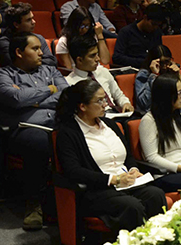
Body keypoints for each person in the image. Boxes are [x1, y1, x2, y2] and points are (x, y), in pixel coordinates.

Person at [54, 79, 166, 235]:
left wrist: (133, 169)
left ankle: (159, 239)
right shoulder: (68, 133)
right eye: (99, 101)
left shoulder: (111, 124)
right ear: (82, 106)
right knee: (132, 206)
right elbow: (73, 171)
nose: (105, 104)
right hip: (97, 190)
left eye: (105, 99)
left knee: (156, 195)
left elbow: (128, 156)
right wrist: (113, 179)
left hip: (126, 184)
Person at [0, 33, 68, 230]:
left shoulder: (50, 70)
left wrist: (32, 100)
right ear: (19, 52)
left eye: (40, 48)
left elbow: (66, 96)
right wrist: (50, 90)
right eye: (35, 48)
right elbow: (16, 99)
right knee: (39, 141)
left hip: (57, 124)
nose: (42, 53)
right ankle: (34, 203)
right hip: (25, 129)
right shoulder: (1, 76)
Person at [65, 36, 133, 113]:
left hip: (116, 113)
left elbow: (119, 95)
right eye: (92, 55)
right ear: (79, 60)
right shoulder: (70, 83)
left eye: (97, 54)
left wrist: (125, 103)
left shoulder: (103, 71)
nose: (98, 59)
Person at [135, 45, 181, 112]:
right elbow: (144, 103)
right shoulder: (144, 74)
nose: (164, 66)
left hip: (178, 113)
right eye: (161, 63)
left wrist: (179, 77)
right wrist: (154, 76)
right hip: (156, 114)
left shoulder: (171, 71)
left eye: (167, 62)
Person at [0, 3, 56, 67]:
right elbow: (12, 65)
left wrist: (29, 62)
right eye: (28, 20)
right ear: (16, 24)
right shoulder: (5, 42)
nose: (34, 22)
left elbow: (51, 61)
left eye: (32, 18)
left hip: (43, 72)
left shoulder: (39, 38)